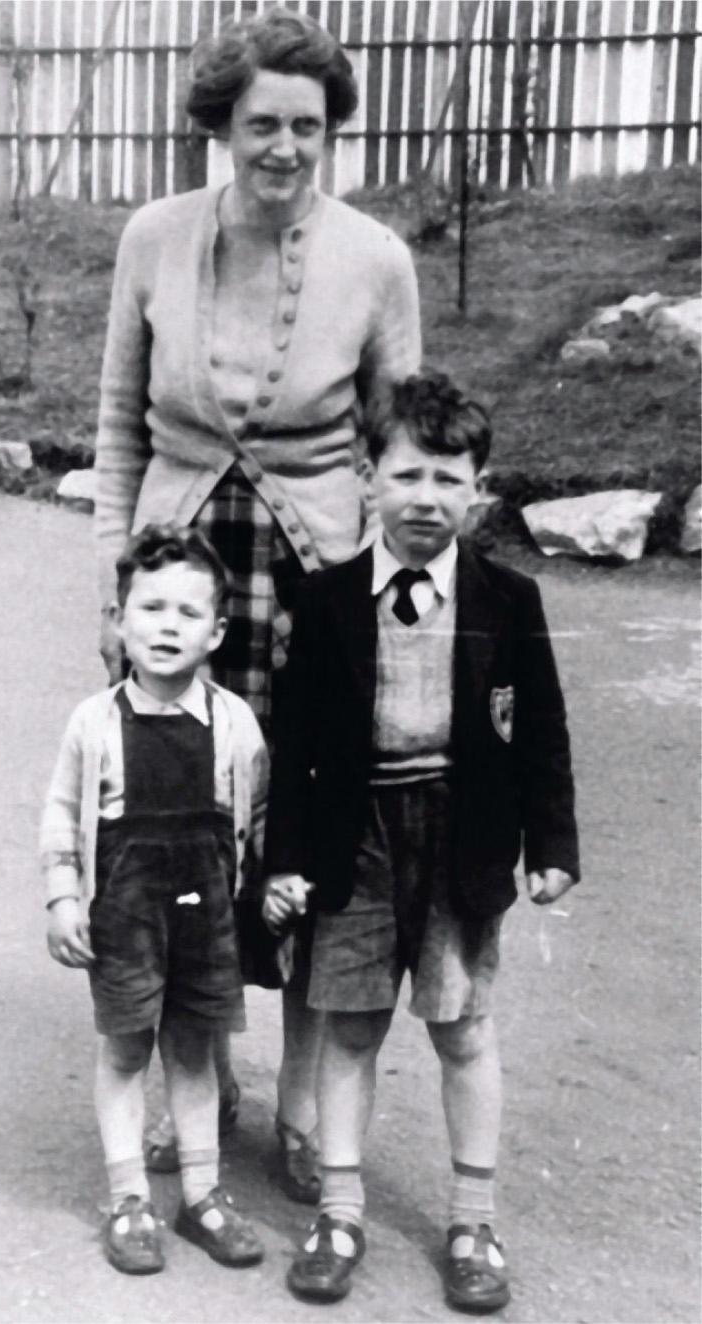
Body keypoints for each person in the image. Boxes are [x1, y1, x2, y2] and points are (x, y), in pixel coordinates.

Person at [93, 5, 421, 1199]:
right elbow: (119, 425)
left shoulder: (376, 258)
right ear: (220, 127)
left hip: (319, 576)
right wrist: (115, 583)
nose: (284, 147)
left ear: (332, 131)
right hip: (180, 566)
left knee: (306, 826)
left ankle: (294, 1101)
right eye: (260, 124)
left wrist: (388, 602)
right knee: (183, 819)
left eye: (309, 126)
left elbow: (398, 443)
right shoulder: (152, 237)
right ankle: (201, 1067)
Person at [263, 374, 580, 1310]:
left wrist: (551, 840)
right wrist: (284, 856)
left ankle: (472, 1219)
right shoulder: (322, 603)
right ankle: (340, 1208)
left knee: (462, 1027)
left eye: (449, 479)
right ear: (367, 478)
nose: (425, 499)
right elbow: (297, 747)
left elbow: (545, 728)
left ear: (478, 490)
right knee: (350, 1025)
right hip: (351, 840)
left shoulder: (508, 599)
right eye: (405, 475)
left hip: (461, 837)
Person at [41, 526, 268, 1275]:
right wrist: (63, 897)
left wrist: (269, 888)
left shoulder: (234, 722)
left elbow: (256, 819)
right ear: (119, 619)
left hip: (205, 911)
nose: (167, 626)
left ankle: (200, 1195)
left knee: (195, 1052)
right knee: (127, 1048)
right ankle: (129, 1198)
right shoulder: (93, 722)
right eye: (151, 607)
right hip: (126, 913)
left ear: (218, 632)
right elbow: (60, 813)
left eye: (188, 613)